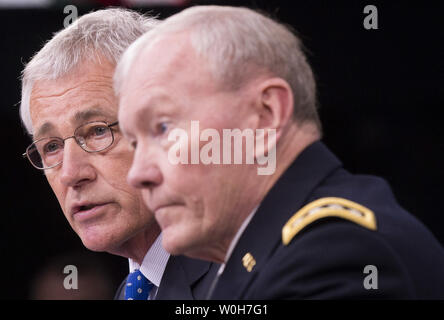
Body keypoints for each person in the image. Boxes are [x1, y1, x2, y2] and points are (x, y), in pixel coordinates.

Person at [115, 5, 444, 299]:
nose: (138, 174)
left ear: (265, 115)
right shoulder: (272, 257)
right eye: (134, 142)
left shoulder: (332, 255)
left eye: (162, 128)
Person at [20, 8, 217, 300]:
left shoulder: (241, 277)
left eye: (98, 131)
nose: (70, 174)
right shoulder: (134, 290)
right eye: (51, 147)